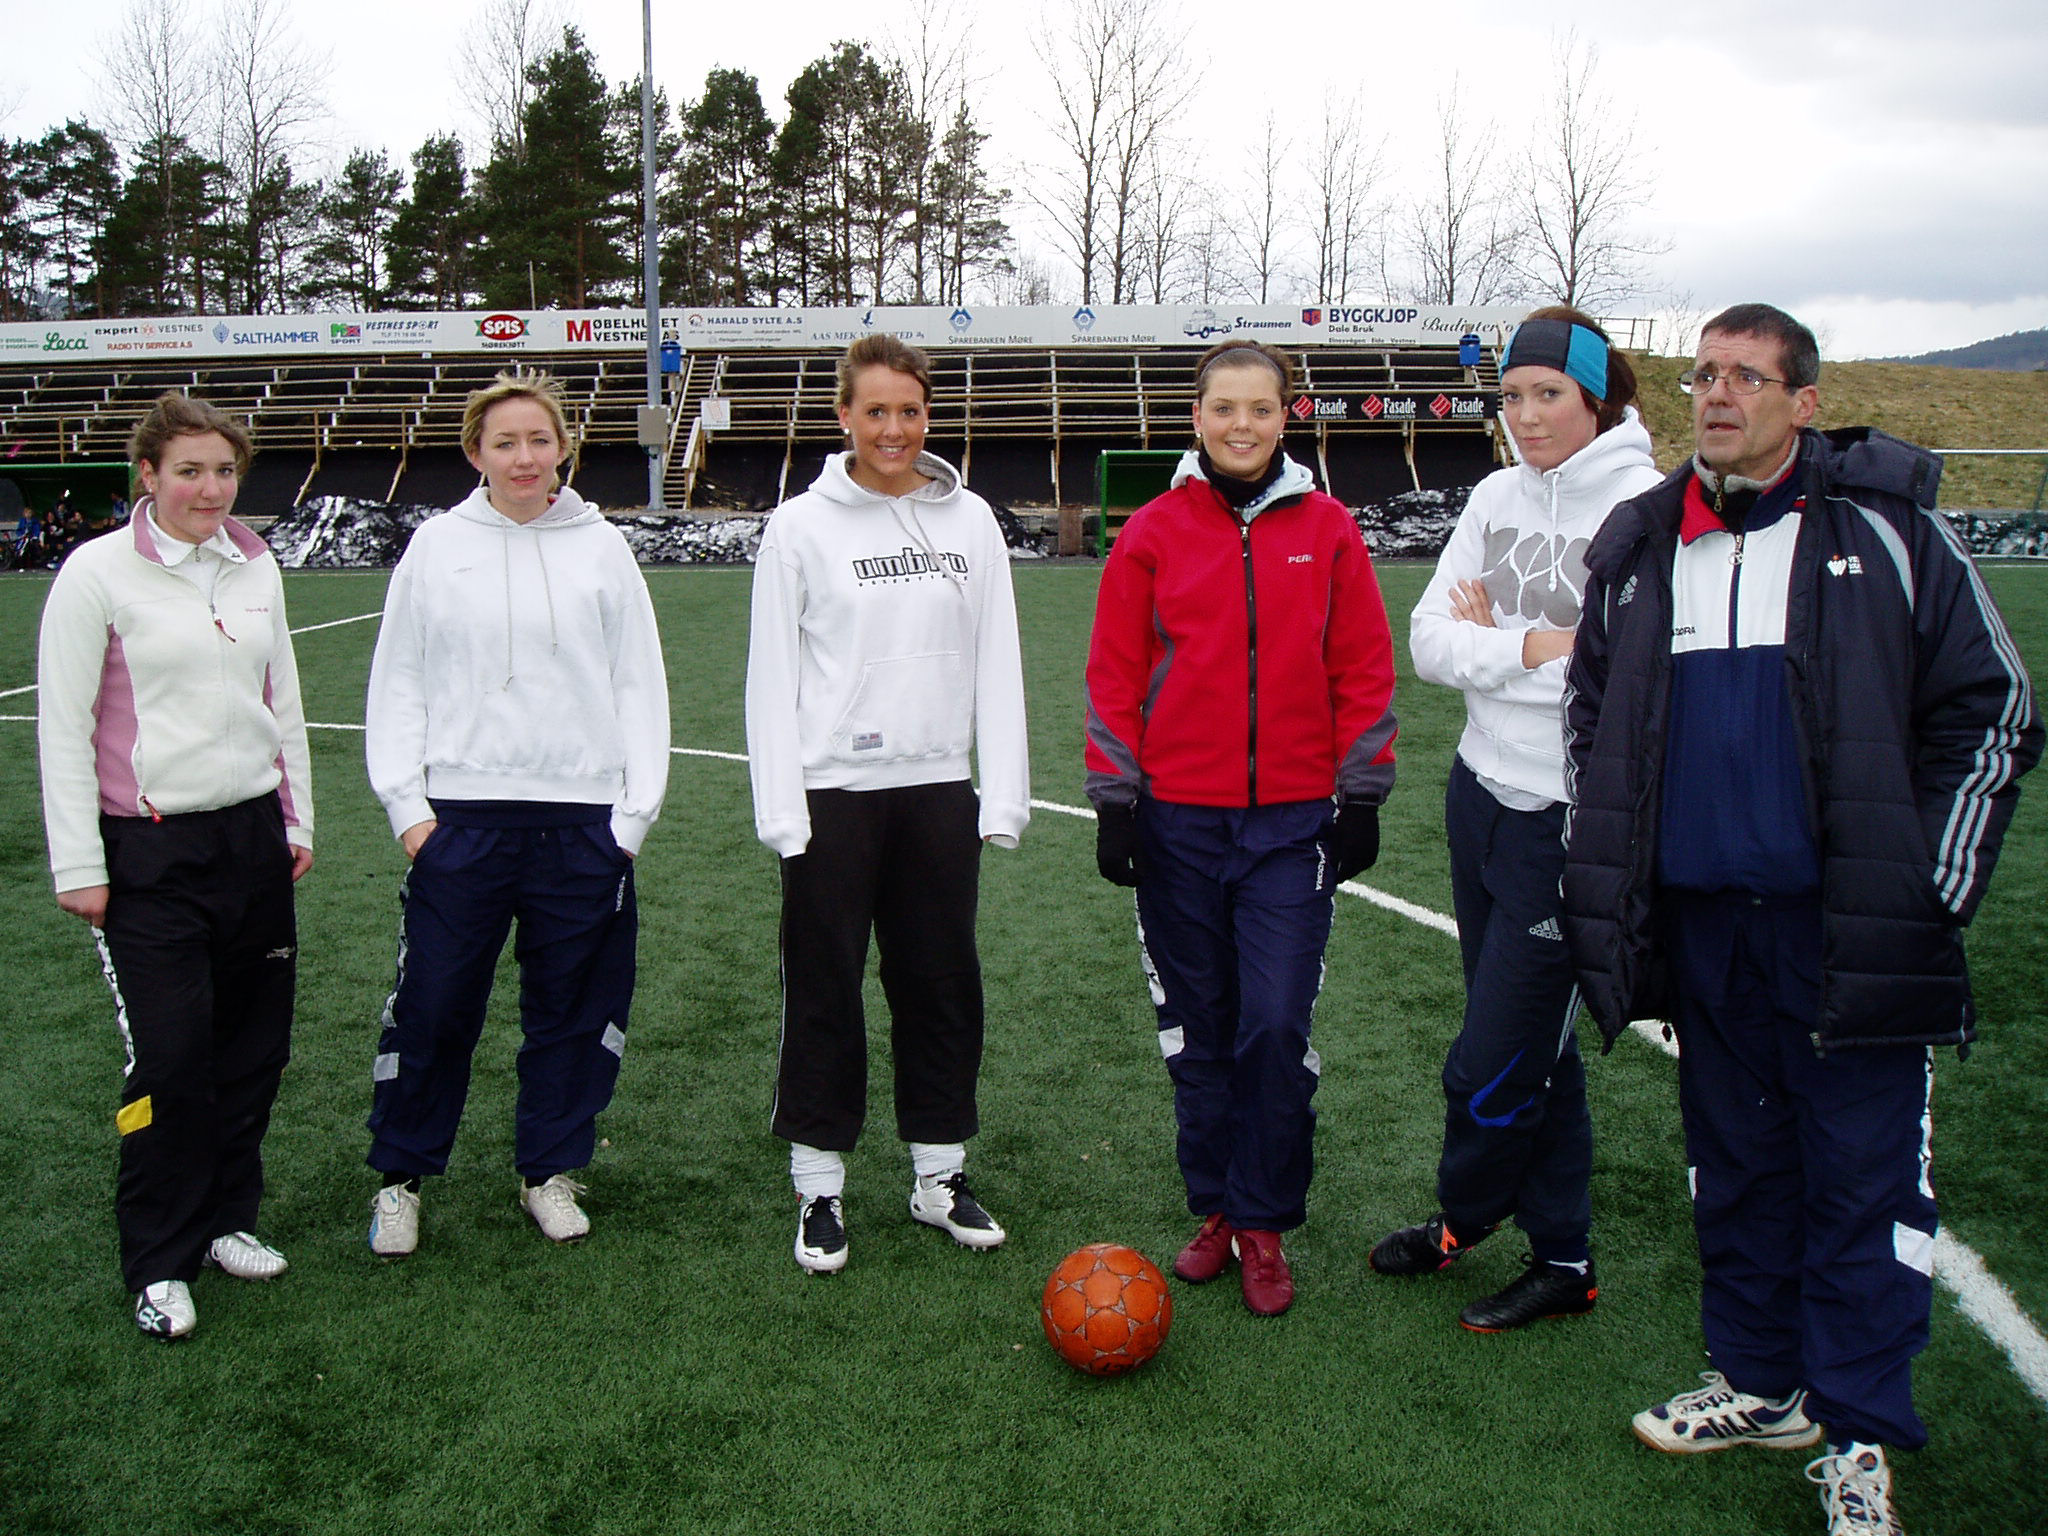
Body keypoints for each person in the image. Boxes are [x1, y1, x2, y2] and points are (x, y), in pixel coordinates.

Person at [1562, 303, 2040, 1535]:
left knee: (1861, 1187)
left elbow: (1991, 711)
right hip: (1703, 933)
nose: (1716, 395)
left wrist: (1924, 889)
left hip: (1846, 936)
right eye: (1700, 375)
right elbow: (1592, 718)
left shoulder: (1885, 530)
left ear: (1802, 402)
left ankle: (1860, 1433)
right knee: (1733, 1171)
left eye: (1745, 376)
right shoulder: (1643, 544)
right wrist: (1617, 872)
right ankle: (1760, 1383)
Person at [1084, 338, 1397, 1316]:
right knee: (1202, 1031)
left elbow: (1361, 664)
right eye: (1223, 407)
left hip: (1290, 830)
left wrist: (1361, 795)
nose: (1241, 425)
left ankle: (1265, 1221)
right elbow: (1113, 673)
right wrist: (1116, 801)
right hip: (1177, 825)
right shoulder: (1151, 531)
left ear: (1284, 416)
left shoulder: (1328, 529)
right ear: (1196, 417)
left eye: (1259, 408)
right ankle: (1218, 1208)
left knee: (1272, 1025)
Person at [1369, 309, 1661, 1330]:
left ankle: (1467, 1212)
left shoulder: (1644, 508)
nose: (1526, 416)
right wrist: (1540, 646)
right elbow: (1428, 644)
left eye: (1548, 395)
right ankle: (1564, 1257)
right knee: (1540, 1051)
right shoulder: (1495, 496)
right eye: (1510, 397)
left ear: (1597, 399)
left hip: (1571, 822)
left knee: (1490, 1062)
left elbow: (1619, 678)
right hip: (1477, 795)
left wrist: (1498, 644)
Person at [363, 369, 669, 1255]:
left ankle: (550, 1171)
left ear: (564, 447)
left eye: (540, 440)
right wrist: (410, 809)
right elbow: (400, 678)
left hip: (582, 826)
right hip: (461, 823)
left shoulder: (602, 548)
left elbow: (639, 682)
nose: (525, 457)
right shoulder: (435, 547)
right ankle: (401, 1178)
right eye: (506, 442)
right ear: (476, 452)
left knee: (571, 1011)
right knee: (432, 1008)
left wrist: (630, 820)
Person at [745, 332, 1029, 1276]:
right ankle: (819, 1188)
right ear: (845, 417)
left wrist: (1002, 798)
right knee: (824, 988)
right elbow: (770, 677)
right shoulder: (800, 527)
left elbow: (997, 657)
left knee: (941, 986)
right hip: (833, 797)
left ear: (927, 415)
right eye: (875, 411)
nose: (894, 429)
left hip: (937, 791)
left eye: (909, 411)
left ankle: (938, 1176)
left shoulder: (970, 521)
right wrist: (784, 813)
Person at [37, 392, 316, 1340]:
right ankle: (160, 1259)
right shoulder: (96, 572)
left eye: (224, 470)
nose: (210, 488)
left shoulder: (255, 563)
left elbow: (282, 697)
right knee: (171, 1059)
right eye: (189, 471)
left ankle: (227, 1219)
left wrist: (295, 819)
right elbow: (63, 727)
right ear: (148, 475)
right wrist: (79, 862)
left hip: (251, 840)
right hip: (148, 852)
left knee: (254, 1048)